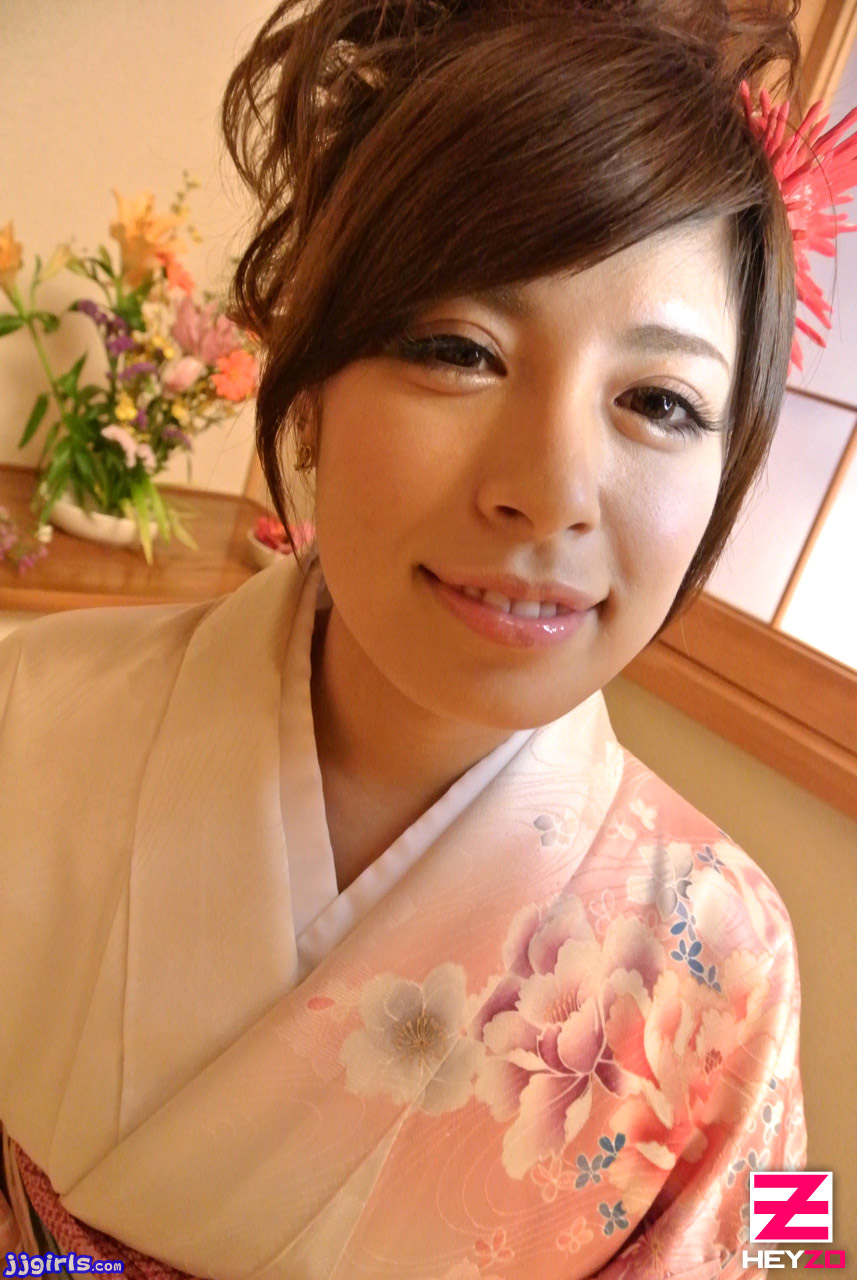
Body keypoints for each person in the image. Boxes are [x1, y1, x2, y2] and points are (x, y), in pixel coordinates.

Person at [4, 0, 838, 1273]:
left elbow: (787, 1248)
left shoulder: (734, 953)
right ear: (308, 378)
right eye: (458, 348)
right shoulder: (26, 713)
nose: (547, 490)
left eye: (658, 400)